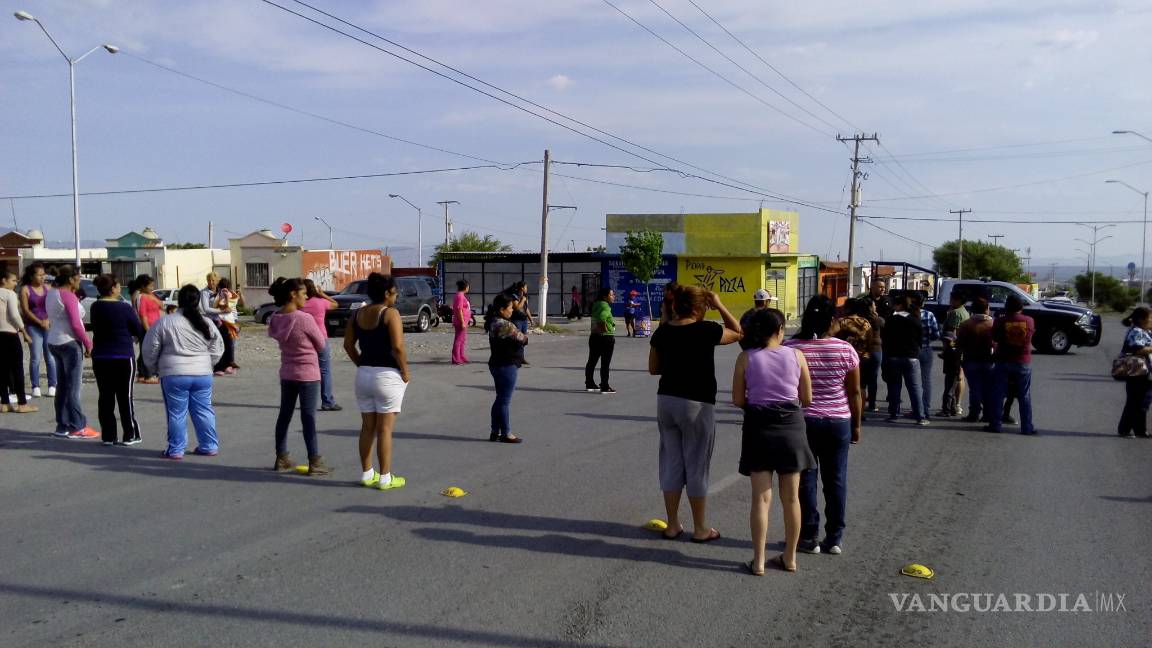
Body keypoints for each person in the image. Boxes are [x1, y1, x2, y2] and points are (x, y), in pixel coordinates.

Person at [649, 285, 742, 543]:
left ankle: (672, 525)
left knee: (671, 463)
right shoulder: (706, 330)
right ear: (700, 307)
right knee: (697, 465)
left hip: (666, 401)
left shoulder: (662, 332)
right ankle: (700, 528)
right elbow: (738, 332)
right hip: (696, 404)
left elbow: (653, 368)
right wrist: (719, 304)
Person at [733, 308, 813, 574]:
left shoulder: (746, 357)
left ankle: (758, 561)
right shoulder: (797, 355)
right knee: (791, 498)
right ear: (780, 330)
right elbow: (807, 398)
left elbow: (738, 399)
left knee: (761, 499)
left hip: (758, 427)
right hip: (791, 427)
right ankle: (790, 557)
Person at [786, 295, 862, 558]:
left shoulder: (790, 347)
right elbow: (854, 392)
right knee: (836, 479)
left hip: (803, 421)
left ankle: (809, 536)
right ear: (831, 320)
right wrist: (856, 425)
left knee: (806, 479)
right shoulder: (845, 349)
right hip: (838, 421)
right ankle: (835, 537)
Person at [142, 285, 224, 459]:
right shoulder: (207, 322)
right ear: (198, 301)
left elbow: (150, 348)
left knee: (177, 413)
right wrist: (208, 364)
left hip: (174, 373)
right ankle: (209, 445)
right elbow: (218, 347)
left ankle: (176, 449)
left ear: (179, 300)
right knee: (204, 410)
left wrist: (154, 368)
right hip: (202, 373)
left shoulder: (166, 321)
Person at [344, 273, 410, 489]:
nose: (396, 296)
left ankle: (366, 473)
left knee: (367, 427)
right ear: (387, 293)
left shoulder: (357, 313)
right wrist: (405, 370)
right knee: (385, 429)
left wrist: (361, 363)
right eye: (395, 292)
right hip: (387, 375)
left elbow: (348, 345)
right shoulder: (390, 313)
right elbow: (398, 347)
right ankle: (385, 477)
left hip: (364, 374)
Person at [268, 278, 331, 475]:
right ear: (293, 294)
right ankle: (314, 460)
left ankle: (281, 457)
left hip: (287, 372)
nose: (306, 297)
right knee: (308, 417)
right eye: (303, 293)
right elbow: (321, 344)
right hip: (308, 374)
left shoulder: (275, 318)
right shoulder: (304, 318)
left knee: (284, 415)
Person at [89, 275, 144, 445]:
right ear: (113, 288)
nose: (120, 288)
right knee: (125, 396)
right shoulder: (124, 307)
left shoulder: (95, 307)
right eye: (119, 285)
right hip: (122, 355)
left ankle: (108, 435)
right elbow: (137, 328)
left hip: (101, 356)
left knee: (105, 397)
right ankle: (130, 433)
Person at [47, 266, 97, 438]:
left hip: (54, 340)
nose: (79, 281)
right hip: (69, 342)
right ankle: (78, 425)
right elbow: (76, 324)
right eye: (78, 278)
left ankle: (63, 425)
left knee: (62, 386)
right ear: (70, 279)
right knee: (73, 387)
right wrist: (88, 343)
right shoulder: (67, 295)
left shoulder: (52, 293)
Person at [987, 295, 1036, 435]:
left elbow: (994, 337)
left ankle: (995, 425)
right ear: (1021, 307)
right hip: (1023, 361)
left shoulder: (1000, 321)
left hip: (1003, 360)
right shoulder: (1029, 321)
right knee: (1024, 396)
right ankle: (1027, 427)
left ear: (1006, 307)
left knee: (998, 393)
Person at [486, 293, 529, 443]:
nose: (512, 310)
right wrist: (523, 335)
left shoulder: (493, 321)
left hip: (496, 363)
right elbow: (523, 339)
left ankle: (494, 431)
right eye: (510, 308)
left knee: (499, 399)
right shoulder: (505, 325)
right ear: (502, 309)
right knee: (504, 401)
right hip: (507, 364)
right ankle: (506, 433)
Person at [881, 294, 927, 425]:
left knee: (894, 387)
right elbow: (920, 338)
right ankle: (920, 416)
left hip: (893, 356)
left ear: (899, 305)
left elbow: (885, 338)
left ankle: (894, 414)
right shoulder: (915, 319)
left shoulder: (891, 319)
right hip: (911, 356)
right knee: (915, 388)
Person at [299, 279, 341, 411]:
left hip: (305, 340)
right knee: (324, 371)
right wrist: (322, 294)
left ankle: (306, 401)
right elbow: (336, 304)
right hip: (321, 338)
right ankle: (327, 401)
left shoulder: (300, 305)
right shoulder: (320, 302)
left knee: (305, 370)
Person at [0, 271, 37, 413]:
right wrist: (24, 331)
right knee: (17, 369)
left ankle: (4, 402)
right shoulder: (9, 294)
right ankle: (22, 403)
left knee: (2, 369)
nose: (15, 284)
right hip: (10, 334)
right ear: (4, 280)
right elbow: (14, 315)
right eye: (13, 280)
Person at [18, 262, 57, 398]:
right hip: (33, 326)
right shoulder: (25, 289)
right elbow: (25, 310)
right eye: (39, 275)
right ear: (31, 276)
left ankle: (52, 385)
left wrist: (48, 320)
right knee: (35, 357)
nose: (42, 277)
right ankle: (35, 386)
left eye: (43, 274)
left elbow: (54, 307)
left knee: (50, 357)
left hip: (48, 325)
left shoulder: (48, 288)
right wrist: (39, 322)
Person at [957, 297, 995, 423]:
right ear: (987, 309)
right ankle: (988, 413)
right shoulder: (992, 324)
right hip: (989, 360)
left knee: (974, 389)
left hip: (971, 360)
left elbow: (959, 344)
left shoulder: (966, 324)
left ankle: (974, 413)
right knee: (988, 389)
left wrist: (959, 360)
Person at [1117, 306, 1152, 438]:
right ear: (1142, 320)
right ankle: (1125, 429)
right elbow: (1136, 349)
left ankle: (1140, 430)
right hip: (1137, 372)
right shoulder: (1137, 331)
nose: (1151, 320)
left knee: (1142, 401)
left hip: (1144, 372)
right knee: (1135, 401)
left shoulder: (1145, 331)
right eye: (1150, 318)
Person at [937, 292, 970, 417]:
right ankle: (954, 406)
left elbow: (952, 333)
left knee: (950, 381)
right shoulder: (964, 312)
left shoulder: (956, 313)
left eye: (952, 299)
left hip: (953, 351)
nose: (950, 301)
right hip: (960, 350)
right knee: (957, 378)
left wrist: (946, 349)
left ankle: (947, 408)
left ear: (957, 300)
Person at [910, 294, 940, 421]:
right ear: (923, 303)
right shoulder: (929, 315)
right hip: (926, 349)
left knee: (913, 382)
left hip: (912, 350)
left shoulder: (908, 315)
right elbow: (936, 334)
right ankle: (926, 409)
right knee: (926, 381)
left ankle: (916, 409)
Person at [200, 272, 236, 376]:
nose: (210, 282)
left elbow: (228, 304)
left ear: (217, 281)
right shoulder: (204, 292)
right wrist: (222, 311)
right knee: (215, 344)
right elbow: (206, 309)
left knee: (227, 342)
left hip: (223, 320)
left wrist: (227, 301)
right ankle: (217, 367)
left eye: (213, 280)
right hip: (211, 321)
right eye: (209, 280)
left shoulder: (221, 291)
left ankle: (227, 365)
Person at [131, 275, 163, 384]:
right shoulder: (141, 297)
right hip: (146, 327)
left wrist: (153, 298)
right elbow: (142, 315)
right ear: (143, 286)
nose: (152, 288)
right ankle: (148, 375)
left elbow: (161, 305)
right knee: (148, 351)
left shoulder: (151, 295)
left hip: (155, 326)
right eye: (150, 286)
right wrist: (148, 330)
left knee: (147, 350)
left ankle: (143, 374)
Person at [585, 287, 617, 394]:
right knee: (605, 363)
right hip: (606, 338)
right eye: (611, 295)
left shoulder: (596, 304)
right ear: (605, 296)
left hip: (594, 336)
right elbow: (602, 318)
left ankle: (589, 383)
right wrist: (605, 330)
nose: (613, 296)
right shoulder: (605, 306)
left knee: (592, 361)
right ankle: (605, 386)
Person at [503, 281, 532, 365]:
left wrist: (530, 319)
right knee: (516, 339)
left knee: (523, 339)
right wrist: (523, 300)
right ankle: (513, 356)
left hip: (524, 320)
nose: (527, 289)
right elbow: (517, 308)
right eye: (526, 287)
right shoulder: (514, 296)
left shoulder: (524, 297)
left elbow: (526, 308)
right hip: (517, 320)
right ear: (522, 288)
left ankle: (521, 357)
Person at [451, 279, 472, 365]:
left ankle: (461, 356)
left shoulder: (461, 295)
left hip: (464, 320)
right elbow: (459, 309)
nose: (468, 288)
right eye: (468, 286)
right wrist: (463, 322)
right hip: (461, 321)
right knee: (459, 340)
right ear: (465, 287)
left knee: (462, 340)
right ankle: (456, 358)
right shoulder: (460, 296)